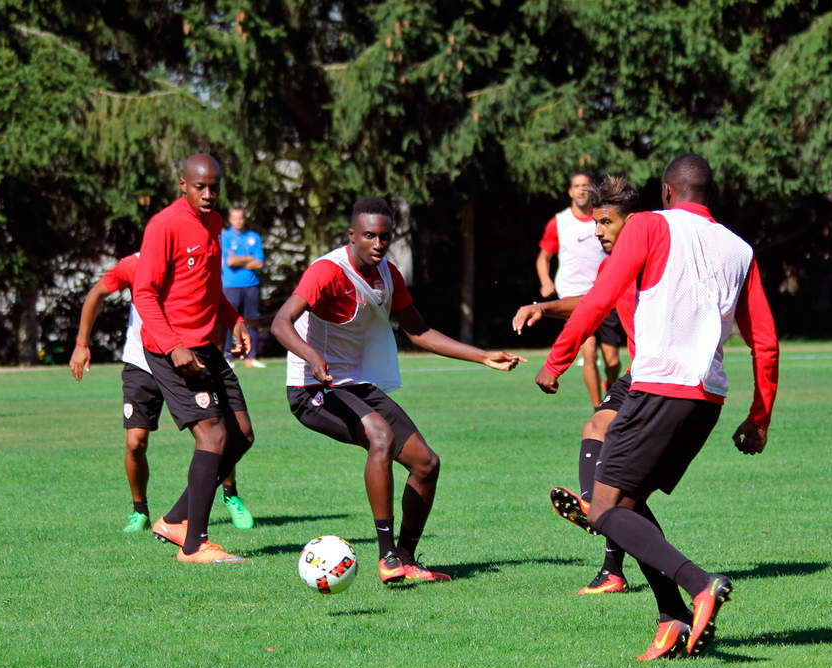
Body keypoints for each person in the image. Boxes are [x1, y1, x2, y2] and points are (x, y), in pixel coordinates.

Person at [535, 154, 779, 661]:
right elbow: (766, 341)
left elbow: (601, 297)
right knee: (627, 505)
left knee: (604, 508)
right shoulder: (740, 248)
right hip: (707, 399)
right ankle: (672, 618)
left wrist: (556, 361)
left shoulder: (648, 225)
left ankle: (699, 583)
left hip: (659, 388)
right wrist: (759, 418)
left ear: (667, 193)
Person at [272, 196, 526, 584]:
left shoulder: (388, 273)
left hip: (355, 385)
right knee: (381, 436)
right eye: (369, 236)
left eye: (384, 237)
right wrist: (312, 356)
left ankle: (405, 557)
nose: (377, 244)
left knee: (426, 463)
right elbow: (281, 323)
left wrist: (482, 356)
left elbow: (418, 330)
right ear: (351, 235)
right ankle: (387, 555)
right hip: (312, 388)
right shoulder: (326, 271)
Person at [513, 175, 642, 595]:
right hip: (637, 374)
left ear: (632, 221)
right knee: (595, 429)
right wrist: (544, 306)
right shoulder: (612, 264)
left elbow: (592, 306)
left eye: (605, 222)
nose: (597, 231)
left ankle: (604, 532)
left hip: (662, 376)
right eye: (596, 223)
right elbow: (591, 301)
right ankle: (596, 517)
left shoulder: (650, 255)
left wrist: (555, 363)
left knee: (622, 476)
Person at [69, 254, 255, 535]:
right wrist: (82, 343)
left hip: (185, 358)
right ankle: (140, 510)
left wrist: (232, 324)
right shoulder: (134, 264)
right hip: (141, 363)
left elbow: (213, 297)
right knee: (136, 442)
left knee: (218, 432)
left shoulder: (192, 261)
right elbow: (97, 293)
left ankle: (230, 494)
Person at [131, 153, 255, 564]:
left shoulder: (215, 223)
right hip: (171, 348)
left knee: (240, 435)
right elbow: (144, 294)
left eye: (214, 187)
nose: (208, 194)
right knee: (213, 436)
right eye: (199, 186)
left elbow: (207, 287)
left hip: (206, 346)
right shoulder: (164, 225)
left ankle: (175, 520)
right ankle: (194, 544)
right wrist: (173, 346)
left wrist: (234, 319)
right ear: (182, 184)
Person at [535, 170, 625, 407]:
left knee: (613, 360)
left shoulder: (604, 218)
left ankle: (612, 395)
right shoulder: (559, 222)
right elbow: (543, 257)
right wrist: (546, 281)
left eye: (586, 185)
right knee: (589, 353)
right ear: (570, 191)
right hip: (574, 295)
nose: (582, 189)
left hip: (606, 294)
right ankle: (599, 407)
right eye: (577, 186)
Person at [221, 204, 267, 368]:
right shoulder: (225, 236)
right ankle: (228, 355)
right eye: (235, 218)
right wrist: (248, 259)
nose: (238, 221)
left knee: (252, 320)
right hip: (230, 285)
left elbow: (259, 263)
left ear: (244, 219)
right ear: (230, 219)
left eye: (241, 218)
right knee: (228, 320)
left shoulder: (254, 237)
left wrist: (240, 259)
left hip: (251, 284)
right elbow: (229, 261)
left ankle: (251, 357)